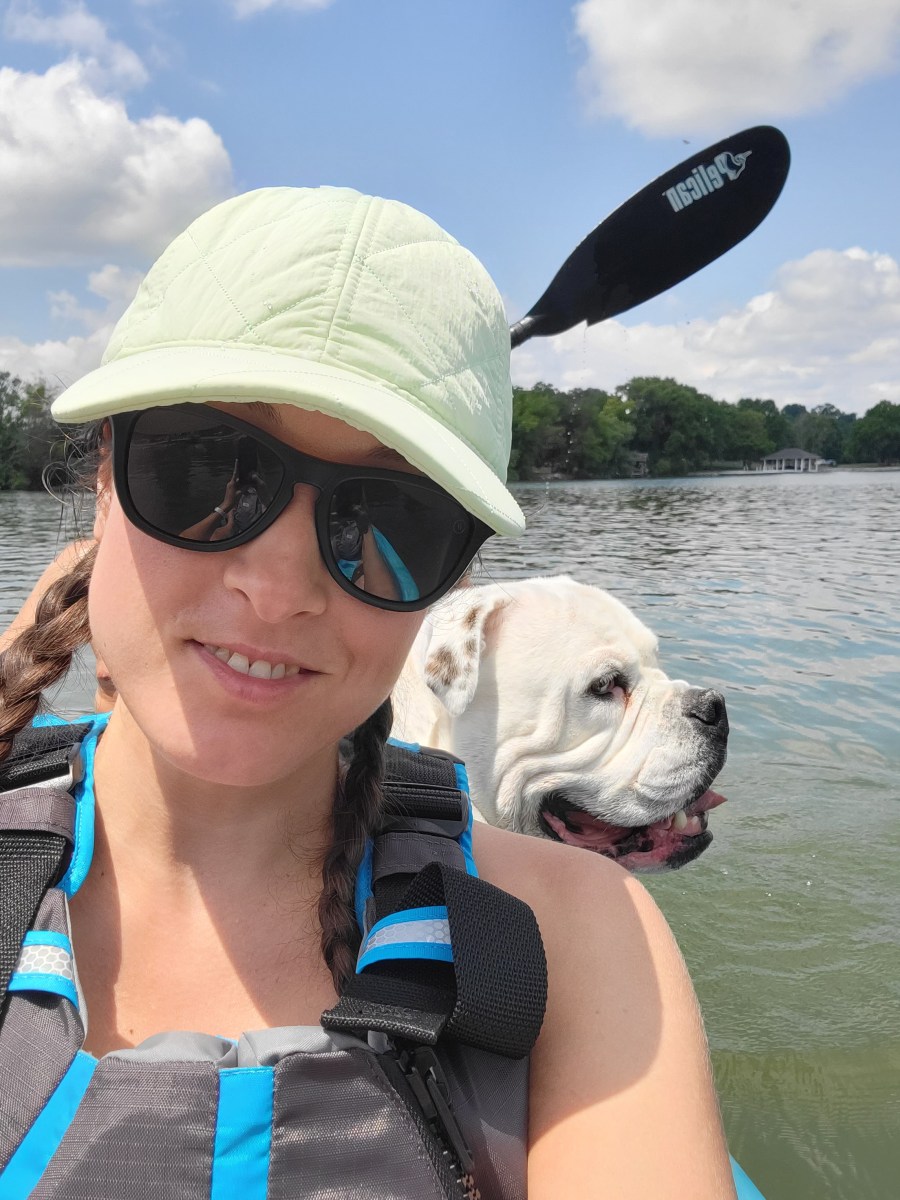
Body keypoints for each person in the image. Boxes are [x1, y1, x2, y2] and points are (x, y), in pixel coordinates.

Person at [0, 186, 736, 1198]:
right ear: (104, 481)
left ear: (450, 585)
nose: (274, 589)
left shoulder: (570, 936)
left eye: (388, 518)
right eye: (201, 469)